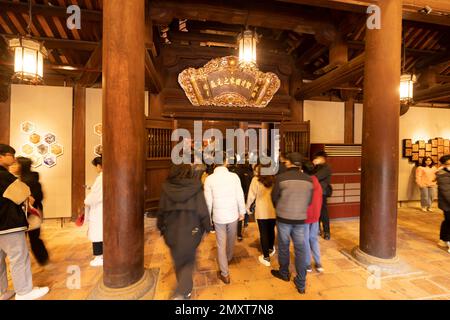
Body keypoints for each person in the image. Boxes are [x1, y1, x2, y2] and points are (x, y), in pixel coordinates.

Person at [0, 144, 49, 300]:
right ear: (1, 156)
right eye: (11, 155)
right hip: (8, 223)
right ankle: (24, 291)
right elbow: (27, 197)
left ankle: (2, 291)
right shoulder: (4, 176)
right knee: (19, 257)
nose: (13, 159)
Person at [157, 164, 211, 300]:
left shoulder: (166, 188)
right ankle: (182, 292)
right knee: (189, 261)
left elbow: (161, 211)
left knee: (178, 261)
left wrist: (161, 228)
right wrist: (207, 227)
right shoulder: (196, 187)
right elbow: (203, 211)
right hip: (191, 232)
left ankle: (184, 289)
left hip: (172, 233)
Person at [270, 152, 313, 294]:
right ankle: (301, 283)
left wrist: (280, 208)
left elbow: (274, 197)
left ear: (288, 163)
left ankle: (284, 273)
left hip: (283, 218)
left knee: (283, 246)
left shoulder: (281, 178)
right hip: (300, 219)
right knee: (300, 249)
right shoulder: (309, 180)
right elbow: (309, 201)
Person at [204, 153, 246, 284]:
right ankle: (228, 257)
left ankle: (225, 273)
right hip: (233, 214)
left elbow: (208, 202)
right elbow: (240, 194)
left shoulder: (209, 179)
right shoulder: (234, 177)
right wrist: (242, 212)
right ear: (226, 162)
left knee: (220, 244)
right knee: (231, 239)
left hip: (218, 216)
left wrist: (208, 218)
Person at [9, 157, 49, 266]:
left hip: (31, 214)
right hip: (22, 214)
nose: (12, 166)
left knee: (33, 239)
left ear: (22, 166)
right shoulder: (19, 179)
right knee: (30, 239)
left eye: (15, 164)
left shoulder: (30, 180)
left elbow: (36, 198)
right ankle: (42, 259)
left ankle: (43, 260)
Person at [246, 163, 276, 267]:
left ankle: (266, 257)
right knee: (271, 230)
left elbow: (251, 195)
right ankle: (271, 248)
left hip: (262, 210)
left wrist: (247, 207)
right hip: (273, 209)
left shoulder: (256, 180)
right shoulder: (274, 179)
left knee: (263, 233)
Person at [302, 161, 324, 273]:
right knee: (314, 239)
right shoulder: (317, 183)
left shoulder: (304, 183)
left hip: (305, 216)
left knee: (305, 240)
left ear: (303, 170)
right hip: (315, 216)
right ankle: (318, 263)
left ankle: (307, 265)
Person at [84, 157, 103, 267]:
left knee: (97, 233)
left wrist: (86, 201)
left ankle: (99, 256)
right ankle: (101, 255)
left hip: (98, 209)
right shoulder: (104, 178)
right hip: (101, 208)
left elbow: (95, 197)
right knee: (100, 232)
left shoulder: (101, 179)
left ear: (99, 166)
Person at [312, 151, 332, 240]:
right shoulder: (316, 167)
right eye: (315, 158)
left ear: (323, 159)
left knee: (323, 212)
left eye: (317, 158)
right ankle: (317, 229)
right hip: (315, 192)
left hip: (322, 192)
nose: (315, 160)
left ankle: (327, 232)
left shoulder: (327, 168)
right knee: (316, 211)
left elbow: (316, 177)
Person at [436, 155, 450, 253]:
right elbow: (446, 192)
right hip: (447, 204)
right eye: (448, 163)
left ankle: (443, 239)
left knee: (447, 221)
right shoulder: (442, 174)